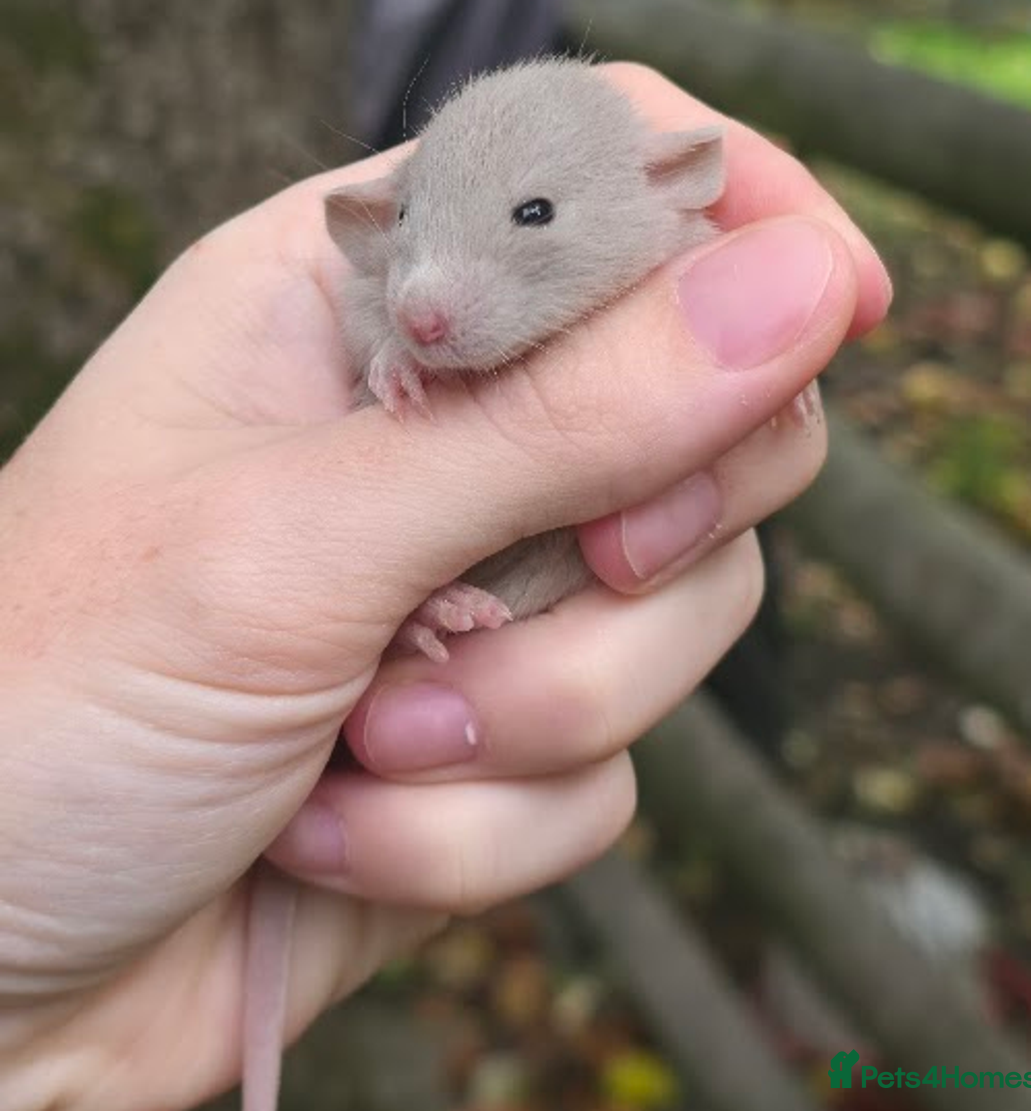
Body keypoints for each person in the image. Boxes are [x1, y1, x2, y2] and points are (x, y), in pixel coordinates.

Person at [0, 64, 891, 1110]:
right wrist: (384, 356)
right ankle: (415, 611)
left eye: (532, 215)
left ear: (675, 181)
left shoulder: (683, 253)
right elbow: (386, 301)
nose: (426, 298)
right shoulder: (390, 294)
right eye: (417, 221)